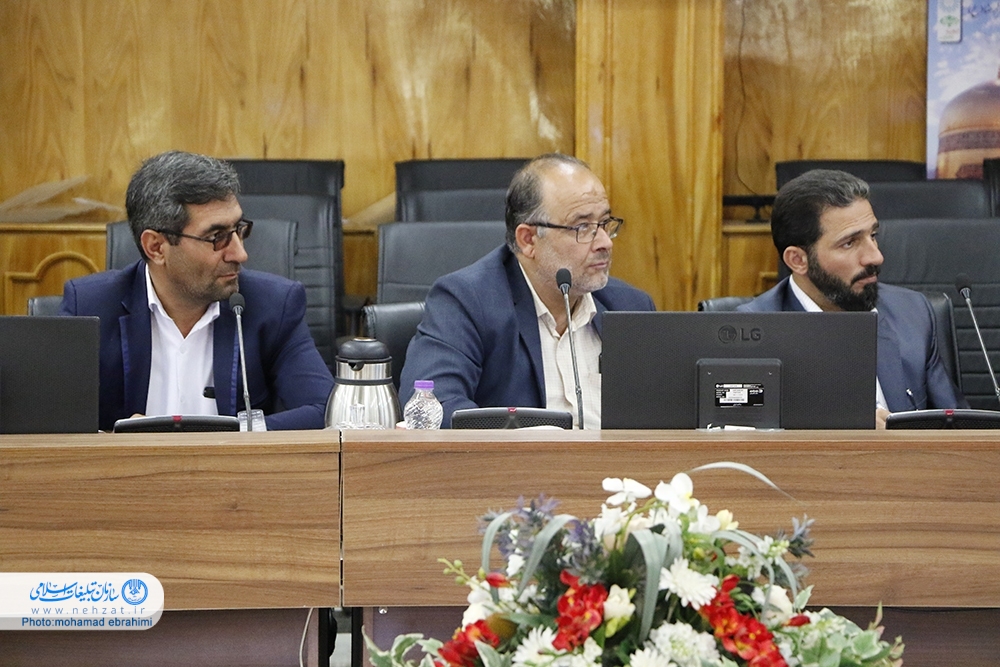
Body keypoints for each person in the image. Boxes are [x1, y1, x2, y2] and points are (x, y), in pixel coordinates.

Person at [59, 150, 334, 431]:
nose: (240, 253)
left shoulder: (273, 305)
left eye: (239, 229)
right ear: (156, 247)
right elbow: (52, 424)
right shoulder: (90, 308)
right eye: (216, 237)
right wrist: (119, 442)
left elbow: (325, 410)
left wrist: (230, 434)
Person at [398, 153, 655, 428]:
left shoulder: (631, 306)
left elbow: (665, 414)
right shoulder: (466, 301)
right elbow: (433, 407)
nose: (605, 242)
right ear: (528, 239)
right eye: (582, 227)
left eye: (604, 223)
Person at [738, 169, 967, 426]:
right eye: (849, 243)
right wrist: (850, 428)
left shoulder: (912, 312)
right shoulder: (751, 334)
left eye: (873, 236)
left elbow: (957, 428)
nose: (875, 257)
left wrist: (897, 440)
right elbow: (739, 433)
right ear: (798, 260)